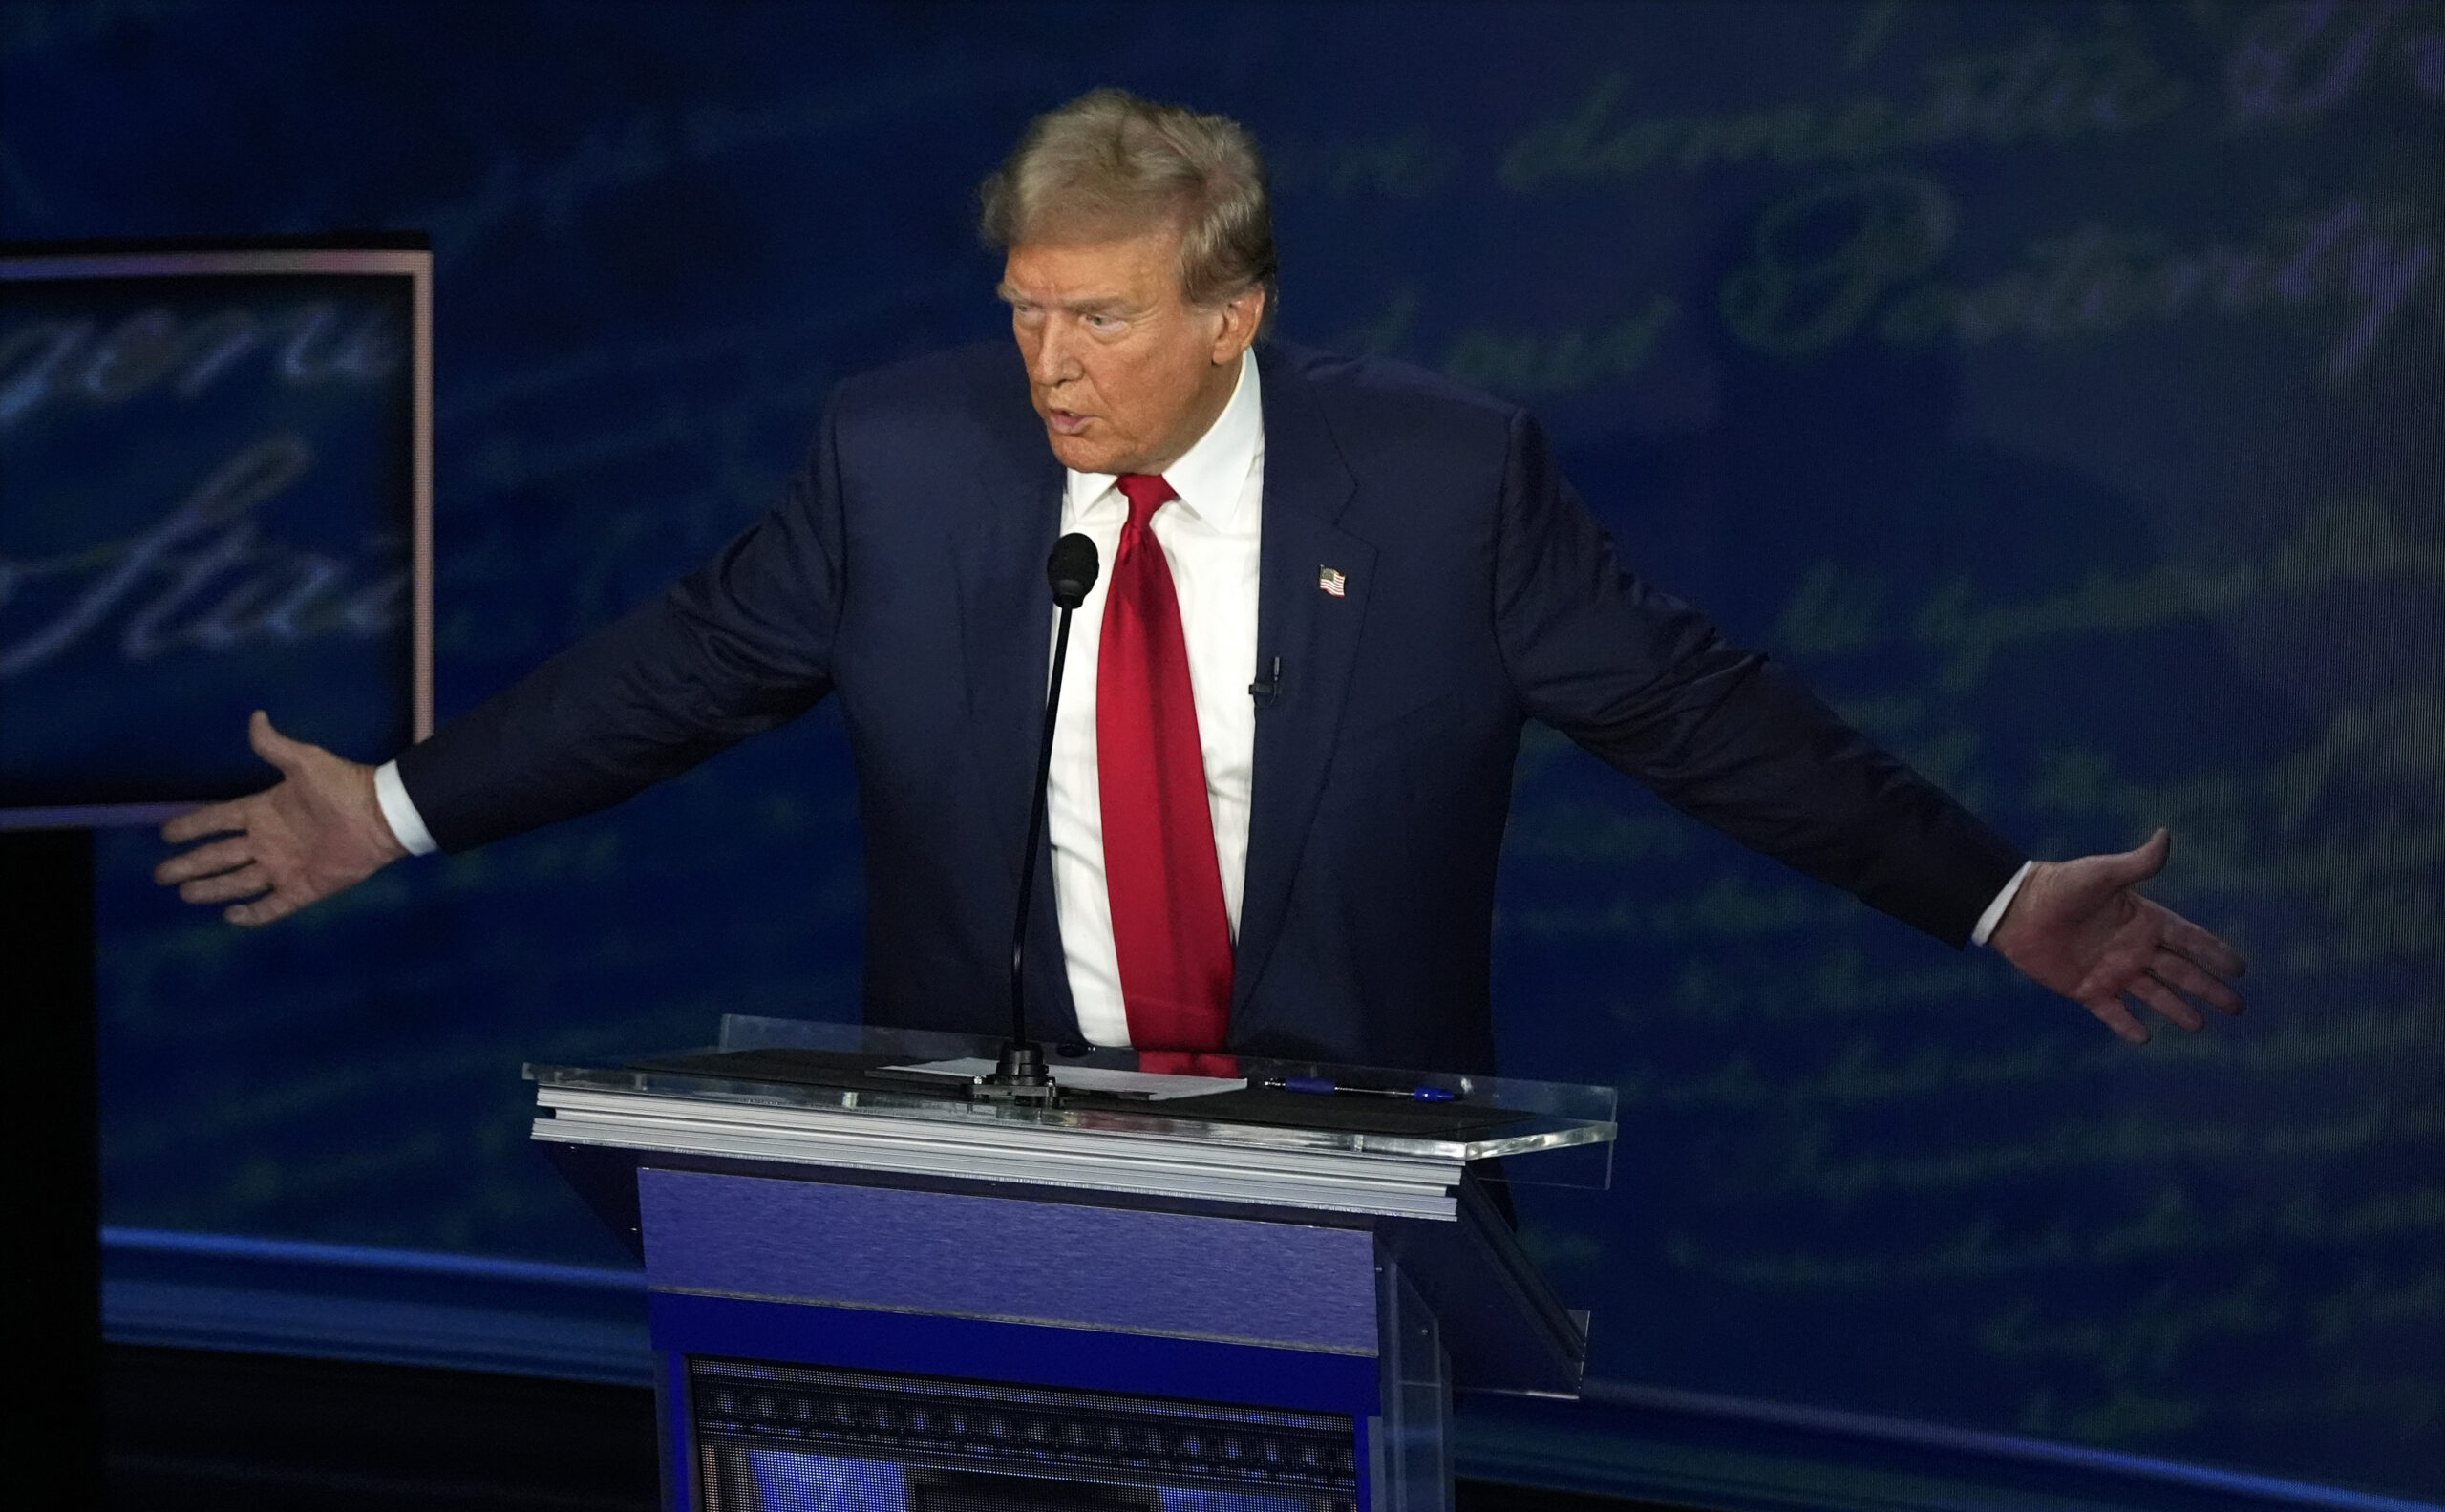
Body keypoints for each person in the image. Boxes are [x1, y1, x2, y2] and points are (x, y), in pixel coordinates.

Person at [154, 90, 2243, 1072]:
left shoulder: (1441, 487)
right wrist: (398, 805)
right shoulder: (905, 463)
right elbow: (677, 672)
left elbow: (1705, 717)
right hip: (989, 1143)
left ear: (1230, 315)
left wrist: (1985, 896)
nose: (1046, 365)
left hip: (1334, 1159)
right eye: (1023, 315)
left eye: (1100, 321)